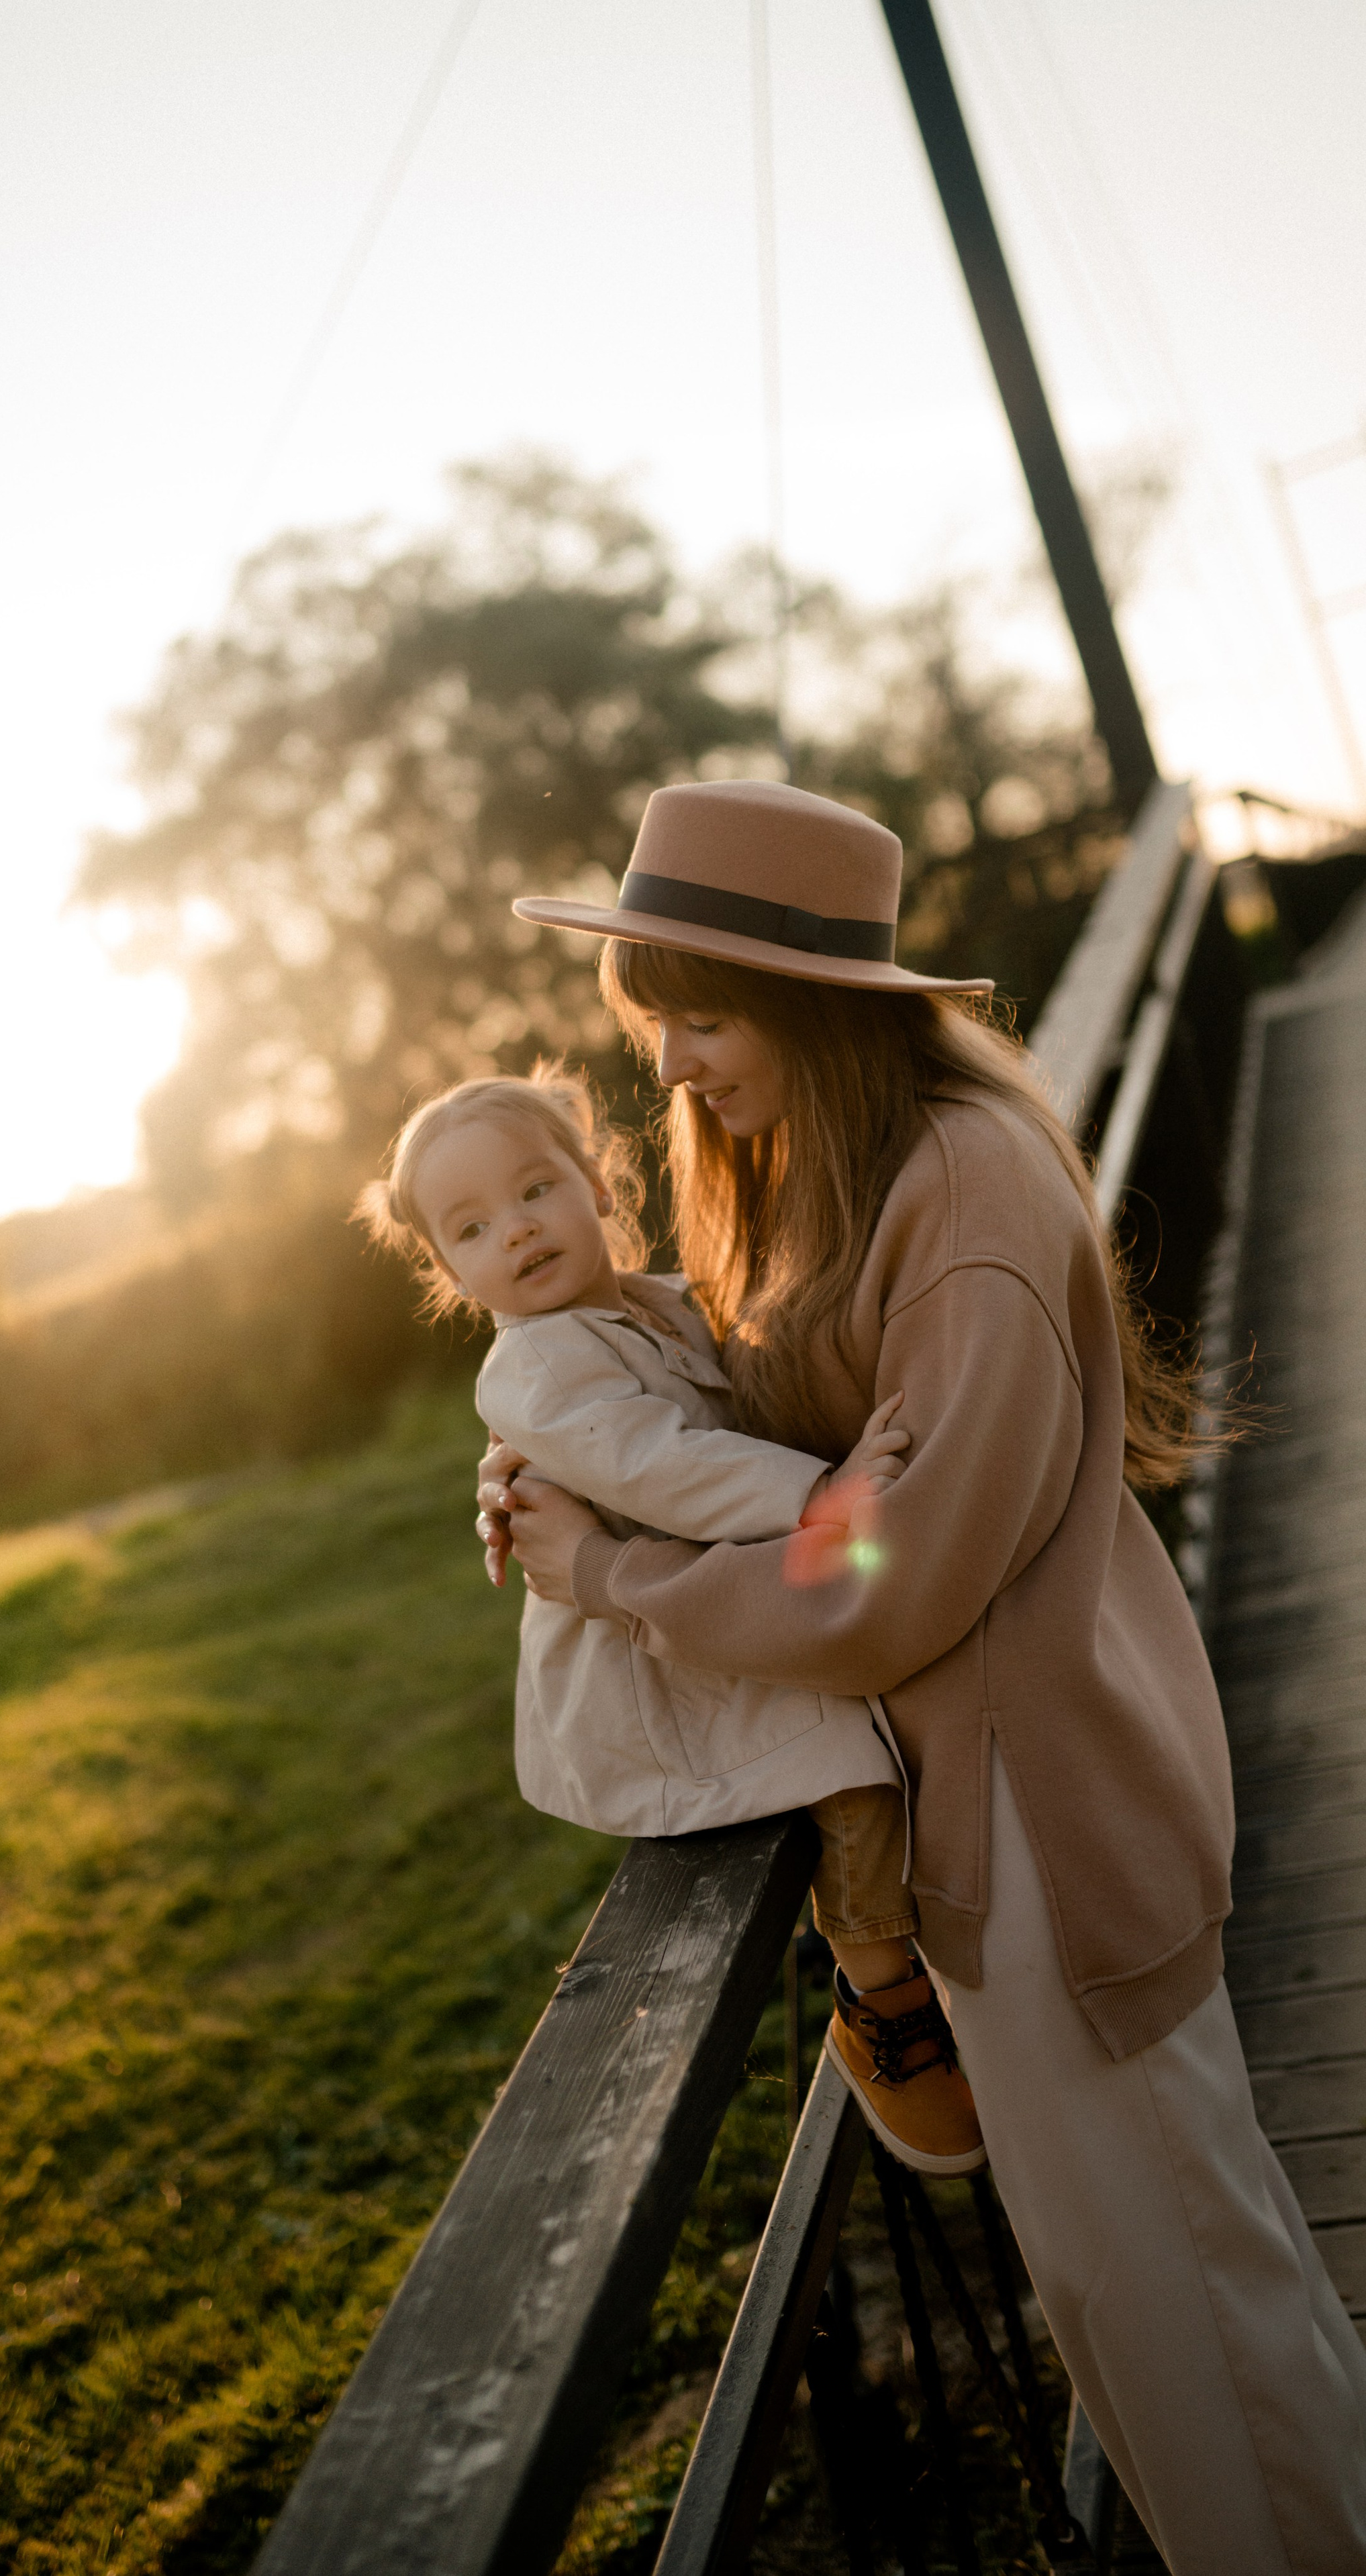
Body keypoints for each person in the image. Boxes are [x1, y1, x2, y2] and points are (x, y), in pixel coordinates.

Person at [480, 777, 1366, 2576]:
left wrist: (619, 1573)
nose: (673, 1071)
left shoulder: (962, 1194)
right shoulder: (851, 1165)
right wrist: (571, 1425)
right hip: (1002, 1817)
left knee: (1194, 2331)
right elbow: (795, 1428)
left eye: (700, 1019)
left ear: (811, 1000)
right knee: (1178, 2304)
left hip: (1046, 1827)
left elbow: (876, 1564)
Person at [356, 1060, 985, 2172]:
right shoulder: (535, 1371)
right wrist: (819, 1496)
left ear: (599, 1182)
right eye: (472, 1226)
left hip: (719, 1606)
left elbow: (743, 1373)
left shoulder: (651, 1298)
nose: (518, 1228)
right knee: (842, 1762)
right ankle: (883, 2001)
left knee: (882, 1711)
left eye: (537, 1187)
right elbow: (662, 1466)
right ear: (448, 1272)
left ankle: (950, 1960)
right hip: (663, 1671)